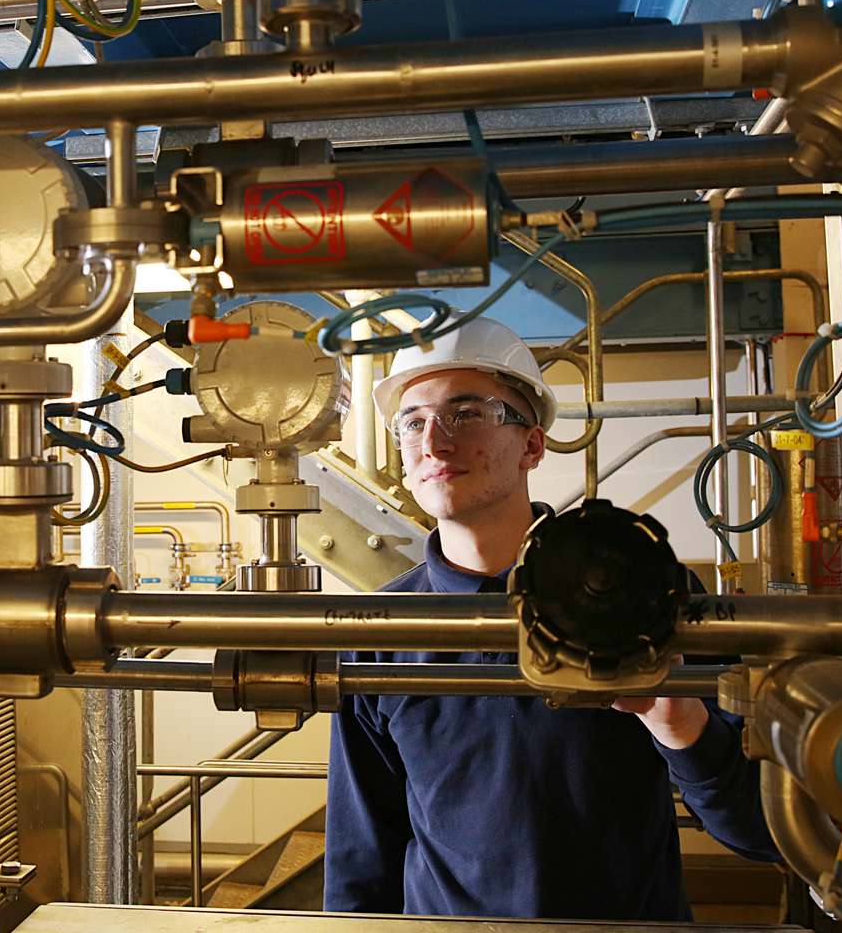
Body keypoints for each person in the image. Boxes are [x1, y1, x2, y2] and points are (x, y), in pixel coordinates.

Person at [323, 315, 779, 920]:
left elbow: (760, 830)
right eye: (412, 423)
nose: (434, 442)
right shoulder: (379, 634)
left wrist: (679, 720)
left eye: (466, 414)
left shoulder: (642, 594)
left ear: (532, 445)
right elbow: (361, 861)